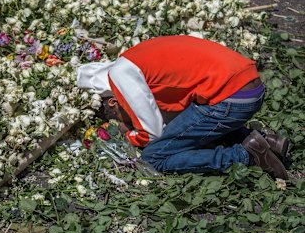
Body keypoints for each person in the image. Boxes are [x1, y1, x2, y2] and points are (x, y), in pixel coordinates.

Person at [77, 35, 289, 179]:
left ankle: (248, 155)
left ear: (113, 102)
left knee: (155, 157)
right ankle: (267, 142)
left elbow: (151, 133)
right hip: (249, 86)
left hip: (230, 98)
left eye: (114, 117)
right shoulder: (134, 59)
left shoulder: (120, 75)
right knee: (189, 129)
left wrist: (128, 135)